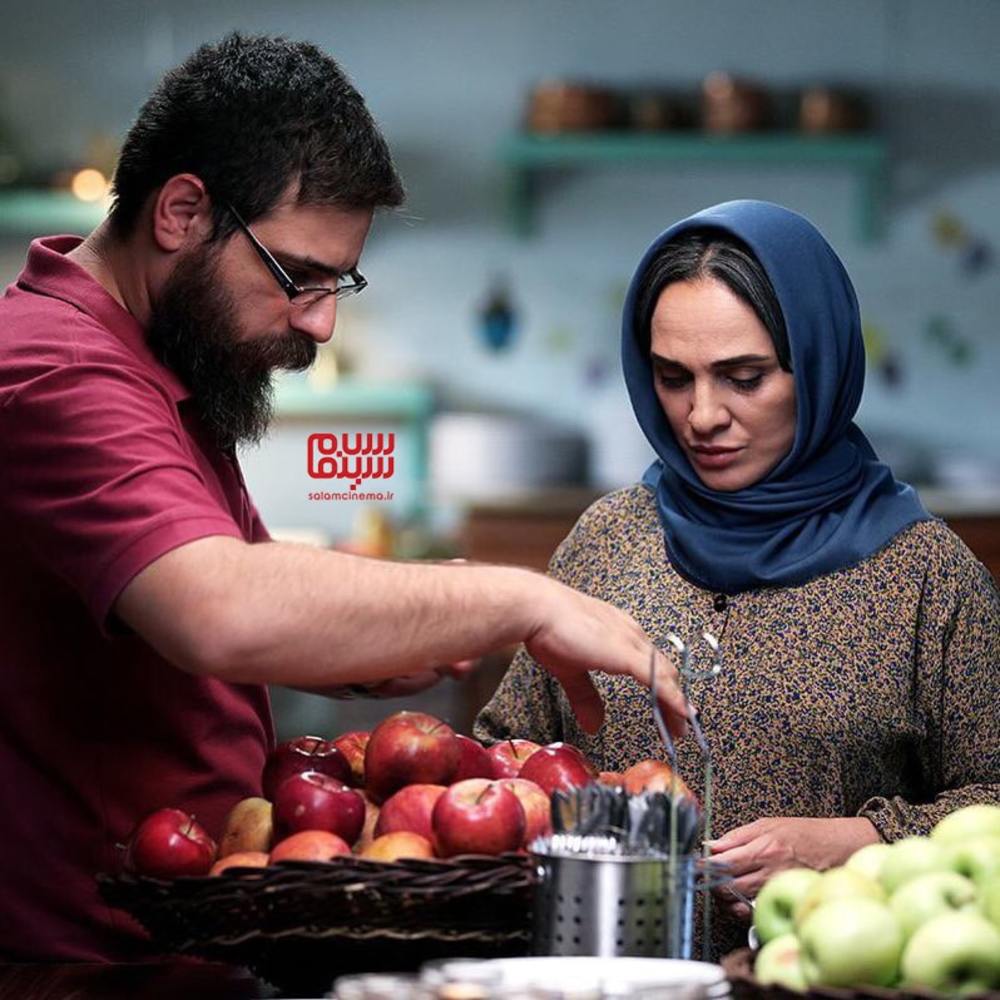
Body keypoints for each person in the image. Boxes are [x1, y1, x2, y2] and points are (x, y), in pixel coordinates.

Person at [0, 34, 688, 962]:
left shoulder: (160, 364)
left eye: (340, 283)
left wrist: (375, 646)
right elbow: (218, 608)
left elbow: (205, 610)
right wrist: (521, 599)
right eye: (298, 276)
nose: (322, 322)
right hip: (78, 968)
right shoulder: (54, 368)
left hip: (179, 947)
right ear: (181, 211)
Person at [475, 199, 1000, 958]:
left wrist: (861, 840)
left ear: (817, 364)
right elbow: (506, 759)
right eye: (672, 377)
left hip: (820, 974)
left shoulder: (927, 576)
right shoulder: (608, 541)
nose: (702, 415)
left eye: (744, 377)